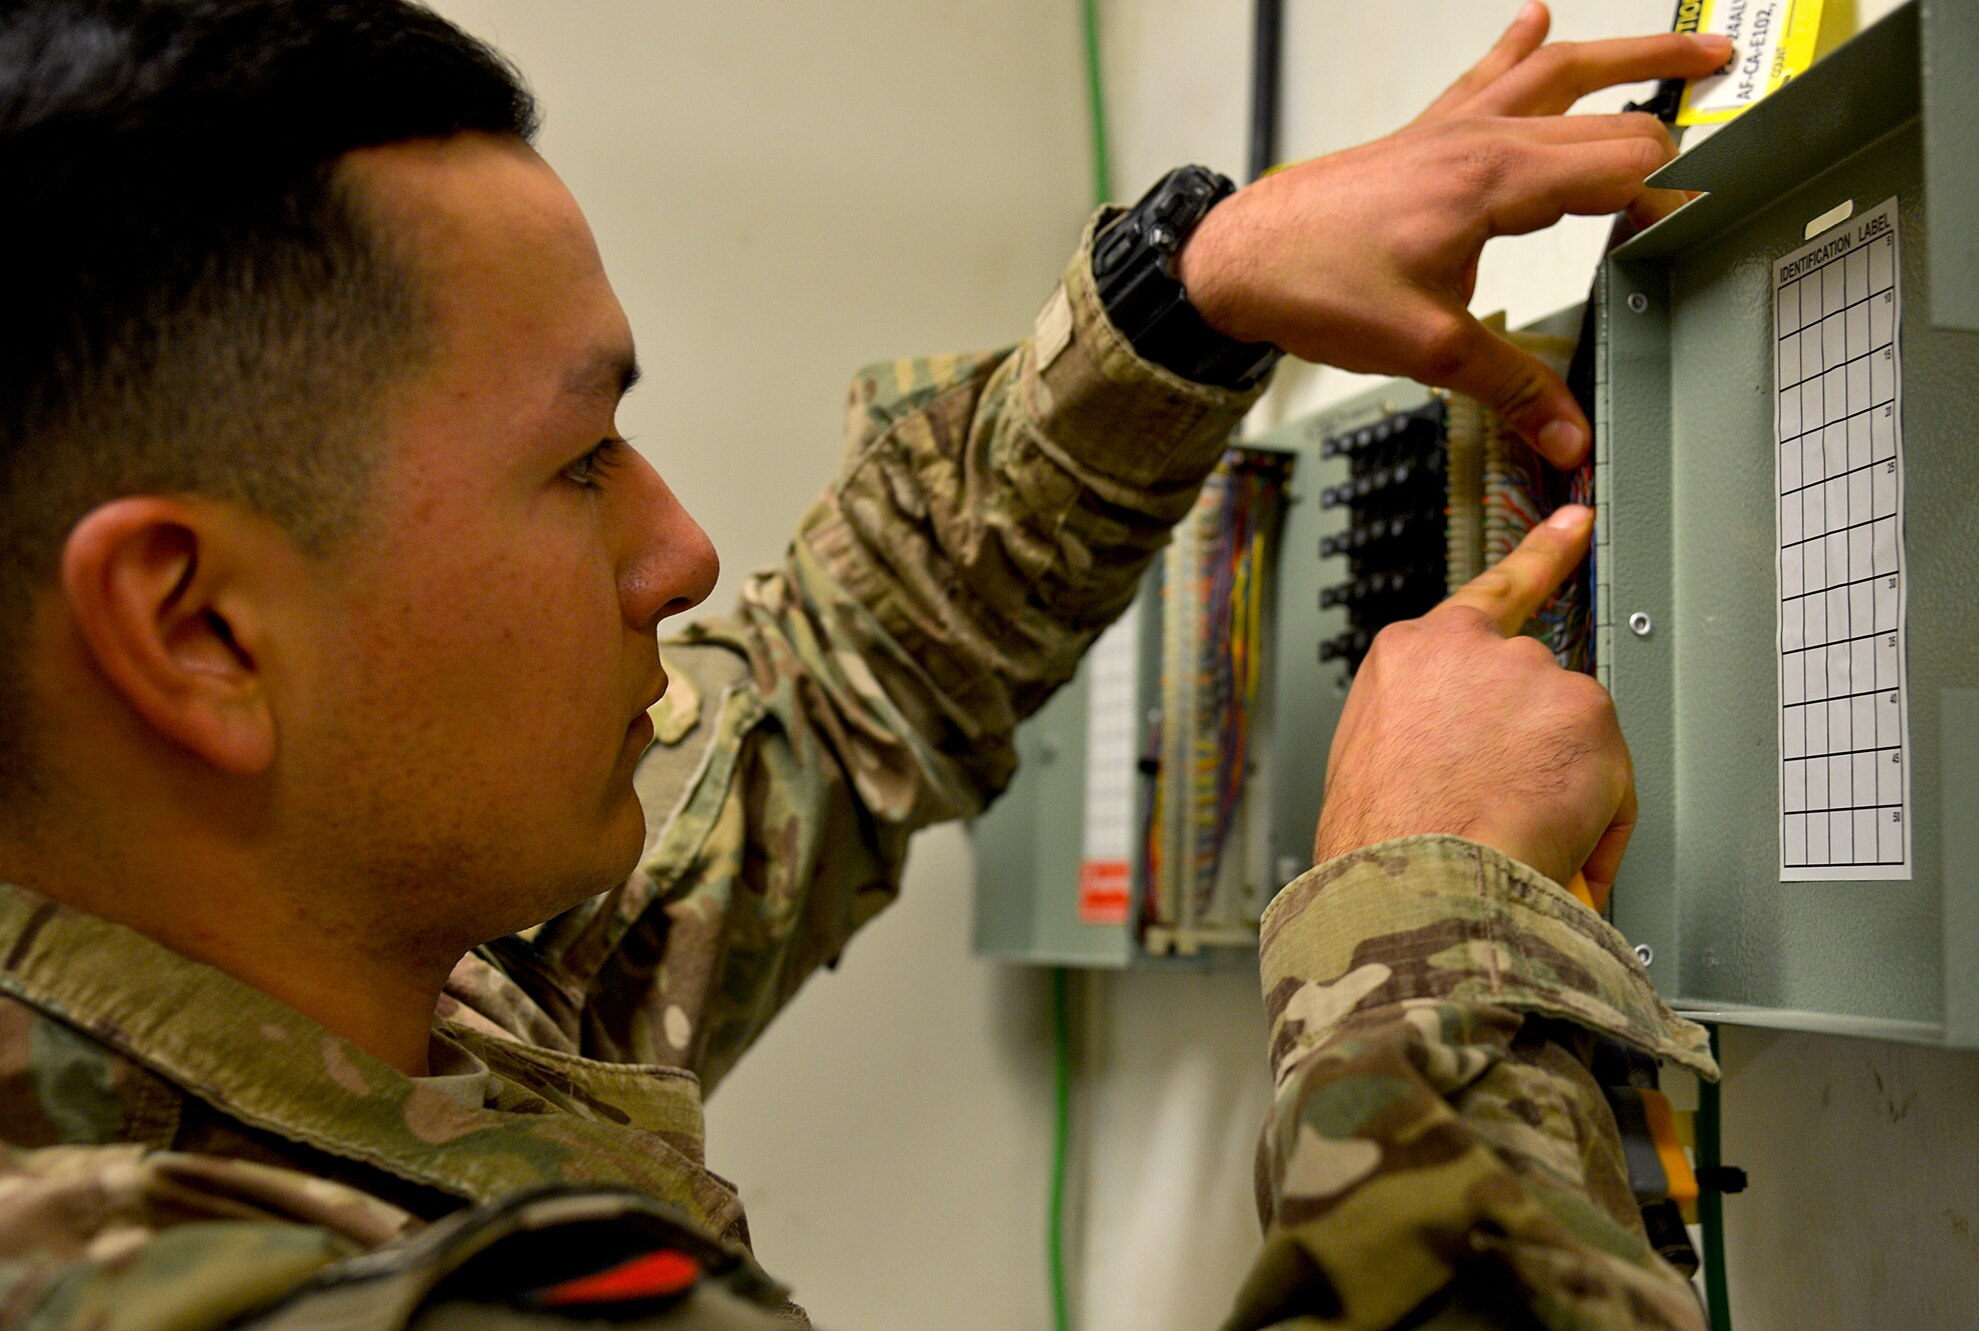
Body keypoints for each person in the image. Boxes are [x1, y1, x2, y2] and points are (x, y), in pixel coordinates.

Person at [0, 2, 1730, 1327]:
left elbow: (837, 692)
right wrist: (1430, 945)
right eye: (579, 463)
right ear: (198, 627)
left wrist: (1189, 291)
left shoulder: (364, 976)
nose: (679, 554)